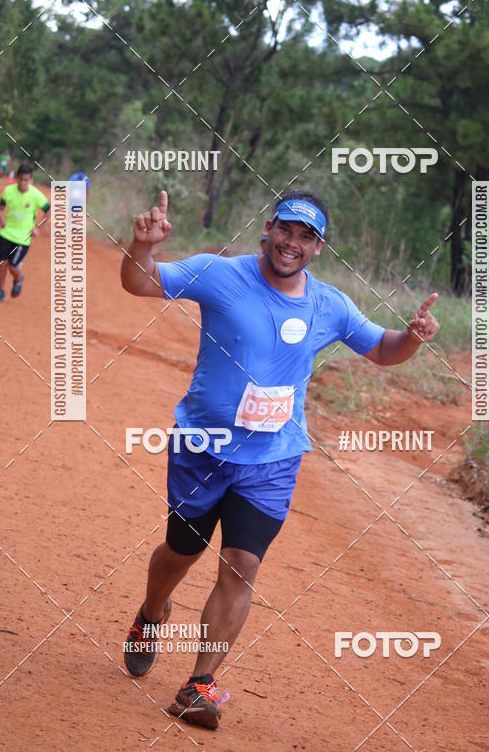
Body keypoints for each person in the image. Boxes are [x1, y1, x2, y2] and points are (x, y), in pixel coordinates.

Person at [120, 189, 439, 730]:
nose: (293, 243)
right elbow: (141, 282)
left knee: (242, 565)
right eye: (286, 229)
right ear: (267, 229)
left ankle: (199, 685)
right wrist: (142, 246)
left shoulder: (329, 306)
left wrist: (412, 337)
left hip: (273, 457)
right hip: (202, 447)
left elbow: (383, 350)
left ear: (318, 248)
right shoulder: (221, 274)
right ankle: (153, 612)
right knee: (181, 551)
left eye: (306, 237)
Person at [0, 163, 50, 301]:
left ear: (31, 180)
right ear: (16, 178)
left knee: (12, 266)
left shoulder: (36, 195)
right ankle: (0, 291)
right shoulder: (8, 191)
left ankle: (19, 278)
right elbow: (0, 209)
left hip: (23, 238)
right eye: (21, 179)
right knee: (1, 262)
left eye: (26, 180)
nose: (23, 183)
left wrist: (38, 228)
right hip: (6, 233)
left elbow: (49, 211)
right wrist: (1, 219)